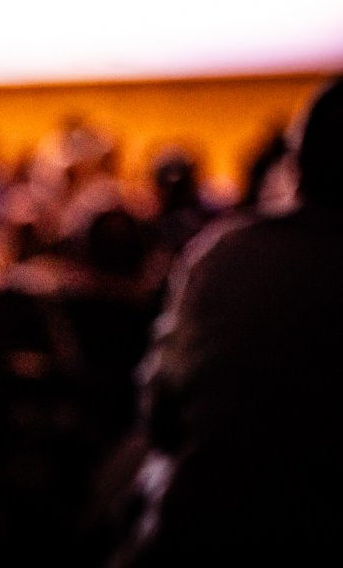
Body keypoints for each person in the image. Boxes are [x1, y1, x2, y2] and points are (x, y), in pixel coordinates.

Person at [107, 75, 343, 566]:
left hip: (198, 533)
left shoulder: (230, 253)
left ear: (298, 162)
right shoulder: (225, 247)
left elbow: (160, 409)